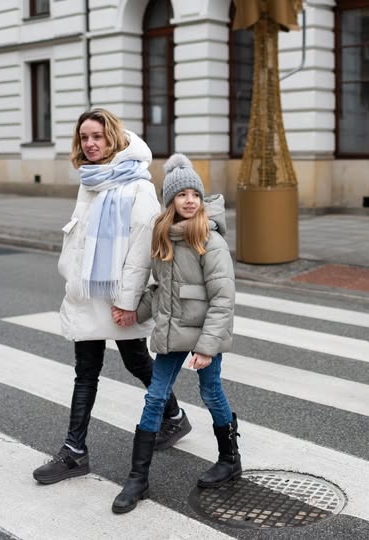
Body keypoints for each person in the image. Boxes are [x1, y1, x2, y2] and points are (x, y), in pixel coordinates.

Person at [33, 109, 191, 485]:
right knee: (86, 371)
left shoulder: (136, 185)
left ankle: (172, 416)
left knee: (138, 362)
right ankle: (74, 451)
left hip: (119, 297)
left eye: (97, 137)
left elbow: (141, 249)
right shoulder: (90, 179)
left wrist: (126, 302)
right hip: (88, 293)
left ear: (113, 139)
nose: (90, 143)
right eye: (84, 137)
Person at [111, 153, 237, 514]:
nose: (190, 200)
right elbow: (160, 292)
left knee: (211, 392)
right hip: (171, 333)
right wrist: (135, 312)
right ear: (170, 201)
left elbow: (223, 298)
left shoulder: (209, 240)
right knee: (155, 398)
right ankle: (138, 478)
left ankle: (230, 459)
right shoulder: (163, 237)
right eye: (181, 195)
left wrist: (208, 347)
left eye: (194, 195)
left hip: (203, 335)